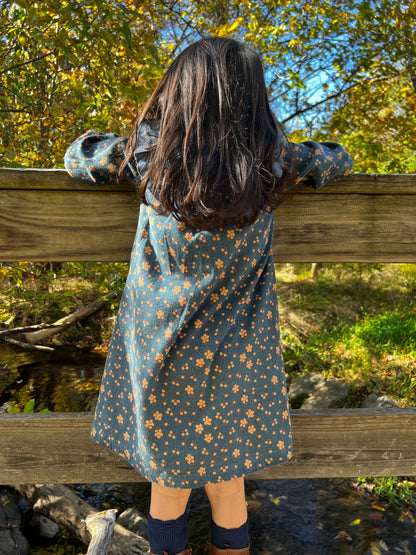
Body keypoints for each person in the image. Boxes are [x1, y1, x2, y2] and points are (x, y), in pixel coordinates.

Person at [65, 37, 353, 555]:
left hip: (160, 347)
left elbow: (79, 157)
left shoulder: (147, 152)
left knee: (169, 484)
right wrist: (308, 149)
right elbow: (338, 158)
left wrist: (102, 136)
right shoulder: (274, 158)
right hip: (240, 350)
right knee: (228, 478)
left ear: (180, 90)